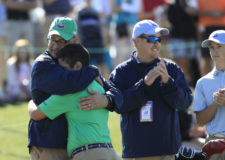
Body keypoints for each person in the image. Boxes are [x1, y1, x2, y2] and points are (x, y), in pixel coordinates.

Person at [29, 16, 122, 160]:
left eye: (61, 41)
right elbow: (70, 83)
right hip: (49, 144)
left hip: (73, 147)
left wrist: (106, 99)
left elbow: (116, 95)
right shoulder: (43, 64)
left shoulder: (78, 66)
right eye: (52, 39)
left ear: (75, 40)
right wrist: (93, 71)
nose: (54, 45)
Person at [108, 20, 193, 159]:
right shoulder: (121, 72)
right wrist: (145, 83)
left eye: (159, 39)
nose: (157, 43)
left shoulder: (171, 68)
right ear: (136, 41)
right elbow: (118, 105)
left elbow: (184, 103)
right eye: (151, 39)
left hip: (168, 150)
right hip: (139, 152)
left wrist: (168, 83)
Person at [194, 30, 225, 146]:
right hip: (214, 142)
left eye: (219, 46)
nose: (214, 51)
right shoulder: (202, 82)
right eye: (211, 47)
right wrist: (215, 103)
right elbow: (200, 121)